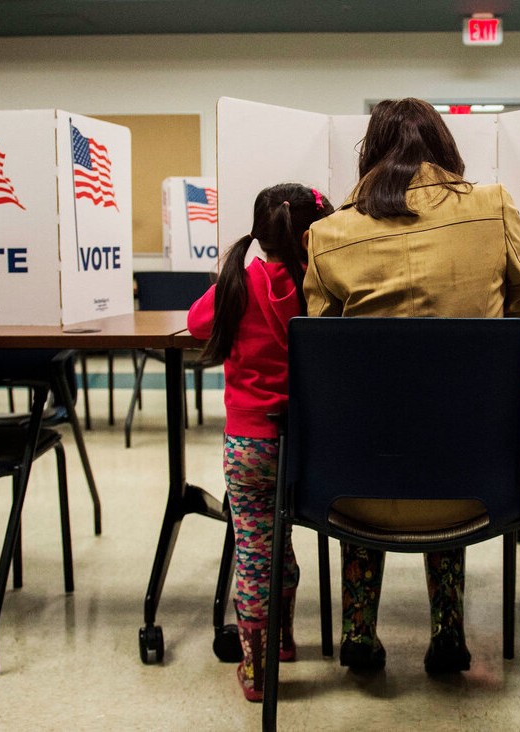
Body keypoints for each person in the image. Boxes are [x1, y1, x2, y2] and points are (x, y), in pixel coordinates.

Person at [304, 97, 520, 675]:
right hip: (475, 483)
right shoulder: (494, 207)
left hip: (354, 487)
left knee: (377, 426)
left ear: (370, 153)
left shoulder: (328, 233)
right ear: (444, 146)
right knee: (448, 423)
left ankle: (358, 632)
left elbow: (316, 354)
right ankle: (448, 632)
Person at [187, 183, 334, 702]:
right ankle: (286, 639)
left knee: (255, 549)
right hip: (306, 448)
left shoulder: (239, 281)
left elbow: (196, 321)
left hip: (248, 444)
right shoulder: (316, 286)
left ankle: (259, 668)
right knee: (286, 542)